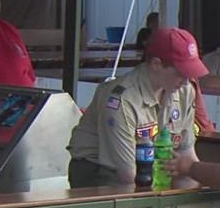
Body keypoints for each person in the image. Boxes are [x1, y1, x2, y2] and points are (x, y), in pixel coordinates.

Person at [67, 28, 207, 188]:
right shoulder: (122, 99)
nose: (186, 80)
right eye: (181, 72)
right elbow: (127, 175)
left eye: (190, 72)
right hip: (101, 170)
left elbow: (187, 155)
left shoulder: (185, 91)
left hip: (151, 169)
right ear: (156, 64)